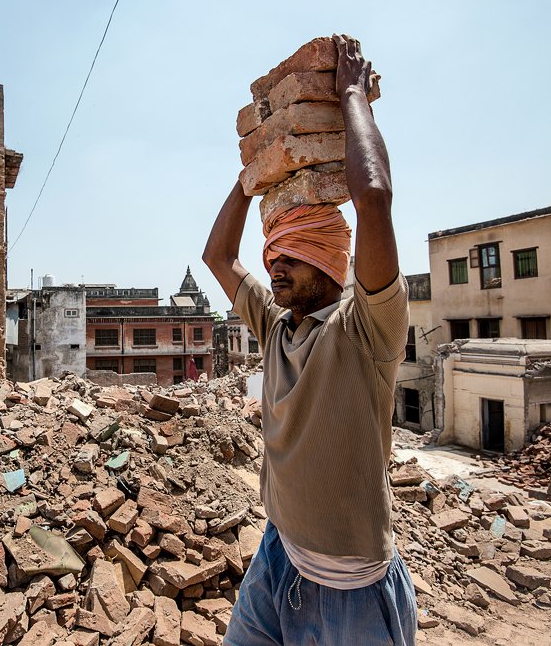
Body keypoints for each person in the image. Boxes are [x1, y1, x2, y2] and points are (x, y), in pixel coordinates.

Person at [202, 34, 417, 645]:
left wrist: (353, 97)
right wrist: (255, 176)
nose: (273, 268)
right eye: (273, 255)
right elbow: (217, 255)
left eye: (290, 256)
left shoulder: (367, 329)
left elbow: (372, 199)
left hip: (352, 593)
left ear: (329, 262)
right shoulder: (275, 326)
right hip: (277, 561)